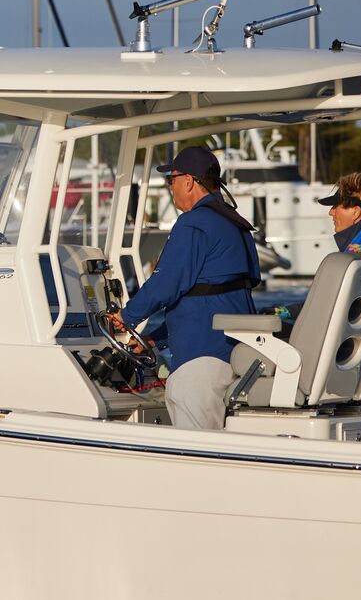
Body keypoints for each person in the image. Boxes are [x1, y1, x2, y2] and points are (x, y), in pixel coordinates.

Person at [104, 145, 260, 431]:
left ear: (189, 180)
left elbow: (167, 283)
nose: (170, 187)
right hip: (232, 354)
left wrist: (126, 318)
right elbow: (210, 296)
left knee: (200, 454)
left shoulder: (194, 223)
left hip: (200, 358)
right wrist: (154, 339)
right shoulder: (234, 224)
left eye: (171, 180)